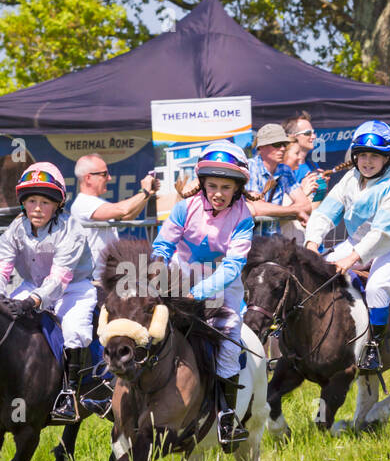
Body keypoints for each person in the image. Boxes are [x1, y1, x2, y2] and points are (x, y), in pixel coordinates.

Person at [152, 142, 254, 444]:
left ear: (237, 188)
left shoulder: (244, 217)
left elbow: (233, 266)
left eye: (226, 186)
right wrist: (157, 269)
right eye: (212, 186)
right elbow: (162, 245)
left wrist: (198, 293)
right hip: (178, 279)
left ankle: (227, 416)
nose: (218, 193)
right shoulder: (185, 207)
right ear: (202, 184)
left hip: (221, 288)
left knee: (231, 339)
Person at [0, 163, 99, 423]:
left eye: (45, 202)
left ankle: (69, 395)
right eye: (31, 200)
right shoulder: (16, 228)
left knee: (73, 330)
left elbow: (59, 279)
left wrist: (32, 301)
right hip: (31, 285)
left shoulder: (72, 229)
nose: (37, 208)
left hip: (73, 290)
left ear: (58, 204)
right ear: (23, 202)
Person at [303, 121, 390, 373]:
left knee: (377, 287)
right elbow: (326, 213)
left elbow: (381, 236)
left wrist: (351, 259)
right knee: (314, 273)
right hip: (357, 242)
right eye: (362, 155)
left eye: (374, 156)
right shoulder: (350, 179)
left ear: (387, 159)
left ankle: (373, 347)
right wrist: (312, 243)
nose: (367, 161)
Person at [70, 154, 157, 287]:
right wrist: (143, 191)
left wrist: (147, 195)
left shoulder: (95, 203)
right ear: (88, 178)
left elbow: (128, 216)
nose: (109, 178)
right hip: (94, 281)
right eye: (104, 174)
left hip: (107, 278)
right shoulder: (83, 203)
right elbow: (123, 210)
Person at [247, 124, 315, 237]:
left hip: (274, 241)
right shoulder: (250, 167)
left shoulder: (285, 170)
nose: (283, 148)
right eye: (277, 144)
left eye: (285, 144)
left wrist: (279, 210)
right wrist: (296, 211)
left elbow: (306, 206)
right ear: (261, 147)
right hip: (249, 243)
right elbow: (257, 208)